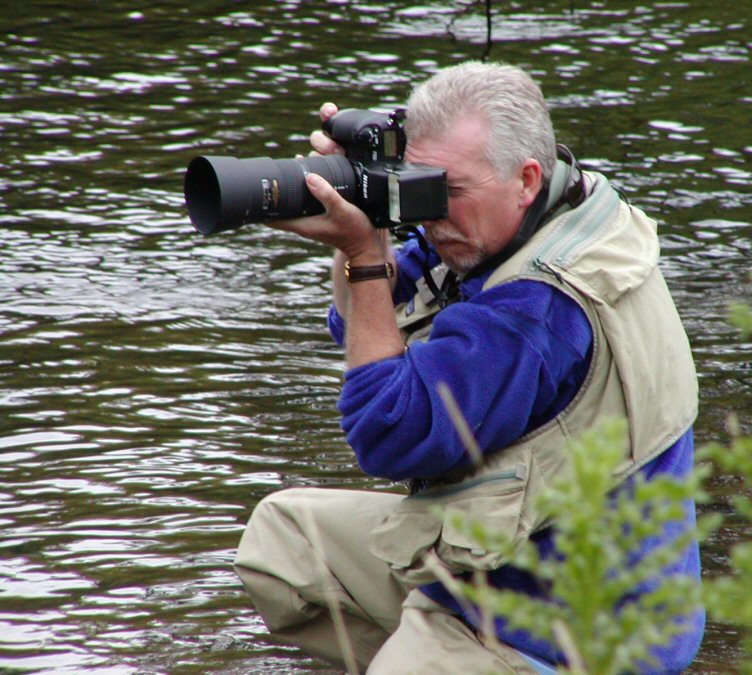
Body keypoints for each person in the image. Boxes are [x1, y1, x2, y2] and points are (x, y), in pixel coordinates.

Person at [234, 61, 704, 674]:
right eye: (418, 187)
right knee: (286, 543)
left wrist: (362, 254)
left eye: (446, 192)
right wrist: (360, 205)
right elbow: (359, 326)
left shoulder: (537, 307)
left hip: (580, 629)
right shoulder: (553, 206)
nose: (430, 215)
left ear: (525, 179)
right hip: (511, 558)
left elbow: (388, 432)